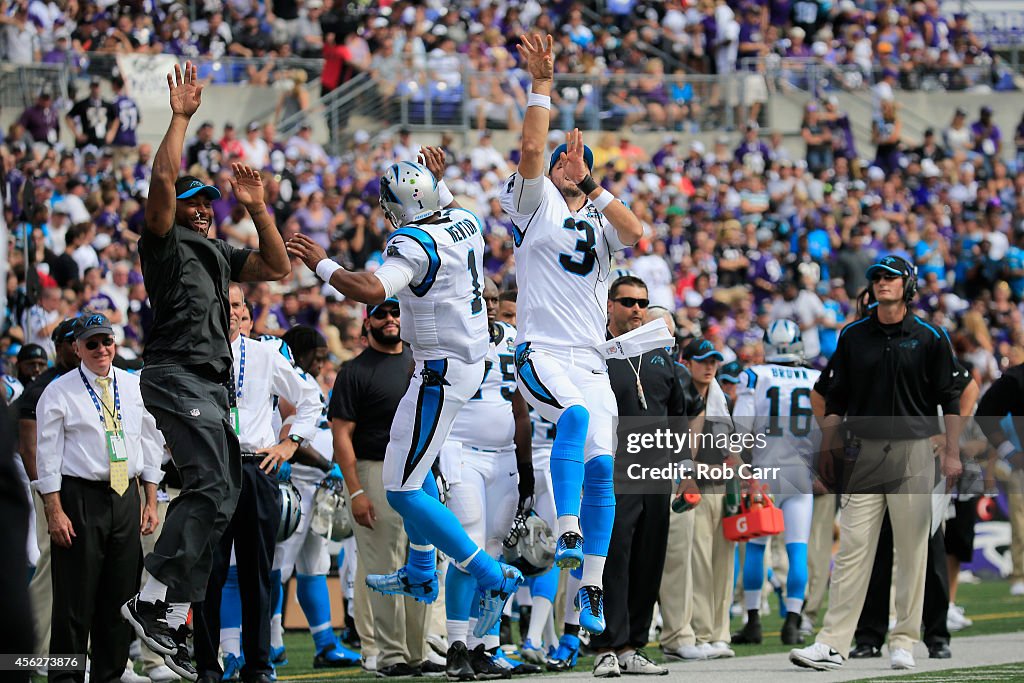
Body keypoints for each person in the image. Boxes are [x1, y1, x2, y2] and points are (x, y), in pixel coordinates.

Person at [288, 153, 523, 642]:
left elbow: (371, 288)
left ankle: (488, 574)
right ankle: (419, 570)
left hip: (440, 369)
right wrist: (436, 178)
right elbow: (446, 209)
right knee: (410, 468)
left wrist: (321, 264)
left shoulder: (411, 241)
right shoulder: (466, 218)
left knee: (401, 490)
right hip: (455, 361)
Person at [122, 62, 291, 683]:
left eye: (208, 205)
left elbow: (277, 268)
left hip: (209, 387)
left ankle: (164, 609)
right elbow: (164, 178)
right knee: (213, 488)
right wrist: (182, 116)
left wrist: (258, 208)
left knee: (220, 494)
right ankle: (148, 596)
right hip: (176, 374)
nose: (202, 210)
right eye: (195, 203)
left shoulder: (220, 253)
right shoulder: (163, 244)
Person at [499, 34, 643, 635]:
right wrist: (542, 85)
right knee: (577, 421)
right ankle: (566, 531)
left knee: (603, 467)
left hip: (588, 356)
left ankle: (590, 587)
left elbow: (634, 233)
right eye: (556, 163)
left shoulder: (592, 215)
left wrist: (594, 185)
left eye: (569, 162)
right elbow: (532, 145)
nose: (560, 164)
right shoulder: (531, 205)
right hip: (542, 349)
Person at [790, 254, 963, 672]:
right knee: (852, 550)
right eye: (877, 278)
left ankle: (903, 639)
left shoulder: (930, 336)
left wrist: (954, 450)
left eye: (890, 277)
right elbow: (836, 399)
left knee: (912, 551)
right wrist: (827, 449)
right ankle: (833, 642)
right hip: (863, 450)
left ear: (909, 285)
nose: (882, 282)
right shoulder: (852, 336)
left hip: (916, 450)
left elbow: (951, 396)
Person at [192, 290, 322, 683]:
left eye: (237, 306)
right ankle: (207, 668)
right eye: (222, 304)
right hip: (212, 472)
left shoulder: (265, 354)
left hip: (255, 468)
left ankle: (259, 666)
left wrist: (289, 444)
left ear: (246, 314)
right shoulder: (194, 353)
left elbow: (311, 397)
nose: (230, 312)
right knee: (209, 576)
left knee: (257, 575)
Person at [35, 313, 164, 683]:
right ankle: (65, 678)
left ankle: (111, 674)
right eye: (91, 343)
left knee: (121, 598)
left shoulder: (132, 384)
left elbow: (149, 443)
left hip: (126, 494)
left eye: (106, 341)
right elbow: (47, 459)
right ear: (76, 348)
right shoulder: (58, 392)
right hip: (80, 497)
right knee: (75, 601)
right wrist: (55, 511)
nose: (101, 349)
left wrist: (150, 500)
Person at [590, 279, 689, 677]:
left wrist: (683, 467)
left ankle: (633, 644)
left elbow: (677, 416)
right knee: (614, 556)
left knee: (649, 558)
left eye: (643, 303)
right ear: (610, 305)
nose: (637, 309)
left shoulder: (661, 355)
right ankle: (605, 646)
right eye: (628, 302)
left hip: (656, 471)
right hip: (613, 469)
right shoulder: (595, 351)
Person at [327, 297, 430, 677]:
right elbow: (342, 436)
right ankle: (390, 654)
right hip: (376, 470)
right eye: (381, 313)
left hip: (419, 474)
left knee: (422, 561)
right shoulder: (354, 371)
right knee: (385, 566)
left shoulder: (420, 363)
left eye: (396, 311)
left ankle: (422, 650)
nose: (391, 319)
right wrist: (355, 491)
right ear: (367, 323)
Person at [442, 277, 537, 680]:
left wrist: (526, 467)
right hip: (462, 453)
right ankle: (456, 646)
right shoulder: (447, 335)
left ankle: (486, 645)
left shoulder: (514, 338)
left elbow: (520, 410)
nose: (491, 304)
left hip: (504, 460)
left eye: (495, 298)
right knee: (469, 548)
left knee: (495, 549)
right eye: (483, 297)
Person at [266, 324, 361, 671]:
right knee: (279, 565)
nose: (321, 364)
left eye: (324, 358)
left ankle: (324, 643)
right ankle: (271, 640)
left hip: (316, 489)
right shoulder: (285, 380)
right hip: (292, 486)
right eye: (316, 357)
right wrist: (326, 465)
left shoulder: (308, 384)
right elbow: (289, 438)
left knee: (314, 566)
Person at [731, 320, 821, 646]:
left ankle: (753, 620)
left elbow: (740, 429)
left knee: (756, 548)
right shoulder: (816, 378)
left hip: (764, 473)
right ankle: (794, 622)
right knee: (798, 549)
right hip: (800, 473)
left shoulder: (755, 375)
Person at [19, 317, 80, 663]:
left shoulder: (91, 380)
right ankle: (39, 650)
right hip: (51, 490)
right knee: (47, 568)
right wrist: (48, 499)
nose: (77, 347)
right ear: (58, 346)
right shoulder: (41, 387)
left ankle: (82, 652)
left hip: (83, 487)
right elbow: (30, 450)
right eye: (71, 341)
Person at [679, 336, 737, 660]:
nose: (710, 366)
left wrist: (747, 477)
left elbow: (730, 449)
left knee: (723, 564)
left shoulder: (718, 398)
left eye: (713, 360)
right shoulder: (683, 396)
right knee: (699, 563)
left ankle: (720, 632)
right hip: (695, 488)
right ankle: (701, 633)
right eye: (703, 361)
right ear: (687, 363)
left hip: (721, 487)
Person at [974, 363, 1024, 597]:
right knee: (1021, 523)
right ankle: (1021, 574)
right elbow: (985, 413)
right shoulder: (1016, 378)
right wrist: (1008, 451)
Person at [66, 78, 119, 151]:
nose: (95, 89)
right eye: (93, 86)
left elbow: (116, 118)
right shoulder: (83, 104)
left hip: (102, 140)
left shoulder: (107, 105)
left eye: (96, 86)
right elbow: (68, 117)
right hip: (87, 141)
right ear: (90, 87)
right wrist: (77, 134)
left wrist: (112, 133)